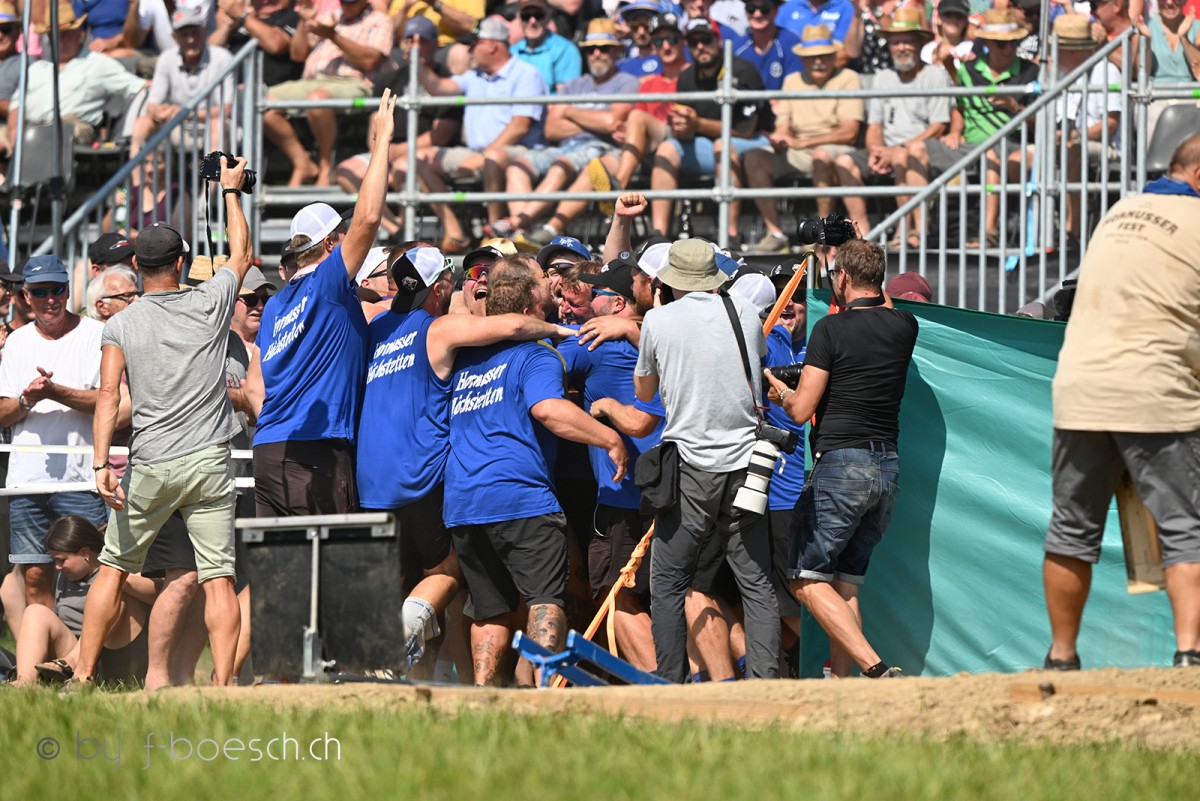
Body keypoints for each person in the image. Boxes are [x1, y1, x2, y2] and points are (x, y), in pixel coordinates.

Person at [76, 154, 254, 689]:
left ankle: (82, 675)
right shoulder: (210, 303)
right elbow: (242, 253)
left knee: (113, 568)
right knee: (219, 579)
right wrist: (230, 190)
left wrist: (100, 463)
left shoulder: (121, 323)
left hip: (151, 463)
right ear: (181, 263)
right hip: (208, 461)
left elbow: (108, 396)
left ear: (136, 265)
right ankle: (222, 686)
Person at [356, 245, 571, 671]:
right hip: (419, 474)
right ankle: (394, 640)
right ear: (440, 286)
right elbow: (512, 324)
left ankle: (408, 672)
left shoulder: (377, 327)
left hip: (370, 481)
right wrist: (557, 330)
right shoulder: (438, 328)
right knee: (449, 575)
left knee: (408, 583)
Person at [1042, 132, 1200, 671]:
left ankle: (1061, 658)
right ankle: (1190, 656)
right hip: (1157, 391)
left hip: (1080, 388)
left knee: (1071, 529)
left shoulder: (1117, 214)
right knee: (1185, 529)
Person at [443, 264, 628, 685]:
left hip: (464, 502)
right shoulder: (537, 354)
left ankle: (485, 696)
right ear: (529, 311)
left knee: (490, 610)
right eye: (544, 308)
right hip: (521, 497)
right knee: (546, 598)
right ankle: (545, 689)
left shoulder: (465, 358)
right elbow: (547, 409)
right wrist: (609, 439)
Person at [764, 238, 916, 679]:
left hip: (841, 465)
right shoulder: (904, 325)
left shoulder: (829, 330)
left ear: (843, 277)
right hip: (886, 467)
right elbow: (882, 304)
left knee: (805, 580)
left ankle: (875, 670)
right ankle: (843, 686)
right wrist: (853, 246)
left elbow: (801, 410)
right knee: (845, 585)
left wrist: (782, 393)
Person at [634, 239, 780, 683]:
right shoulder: (745, 311)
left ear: (667, 281)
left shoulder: (658, 320)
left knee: (668, 582)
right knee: (756, 583)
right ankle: (765, 683)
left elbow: (644, 392)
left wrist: (656, 318)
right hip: (747, 464)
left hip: (690, 466)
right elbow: (754, 364)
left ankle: (671, 683)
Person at [246, 93, 398, 517]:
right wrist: (382, 143)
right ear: (331, 244)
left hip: (269, 448)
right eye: (342, 238)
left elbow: (255, 385)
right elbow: (369, 218)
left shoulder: (275, 305)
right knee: (329, 557)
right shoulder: (329, 281)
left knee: (277, 560)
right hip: (315, 449)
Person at [0, 256, 117, 612]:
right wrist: (28, 399)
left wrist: (54, 392)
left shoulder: (95, 333)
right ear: (25, 296)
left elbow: (105, 400)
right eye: (40, 292)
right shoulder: (17, 342)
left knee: (92, 573)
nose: (50, 299)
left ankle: (87, 645)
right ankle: (44, 644)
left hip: (80, 479)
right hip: (27, 480)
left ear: (68, 290)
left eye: (58, 289)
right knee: (36, 575)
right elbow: (3, 413)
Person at [416, 17, 548, 252]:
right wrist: (418, 63)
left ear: (492, 45)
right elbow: (439, 89)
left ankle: (494, 236)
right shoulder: (474, 75)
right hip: (476, 151)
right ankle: (455, 233)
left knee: (492, 158)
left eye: (474, 44)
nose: (469, 51)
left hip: (519, 151)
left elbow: (520, 126)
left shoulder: (526, 74)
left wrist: (482, 156)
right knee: (420, 159)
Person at [833, 9, 951, 244]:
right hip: (887, 149)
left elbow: (939, 127)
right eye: (895, 42)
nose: (901, 47)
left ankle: (908, 230)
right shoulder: (883, 77)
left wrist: (897, 149)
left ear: (920, 44)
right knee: (844, 162)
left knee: (902, 155)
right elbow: (874, 126)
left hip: (925, 148)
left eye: (908, 41)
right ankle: (862, 234)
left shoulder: (935, 75)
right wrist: (876, 152)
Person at [743, 23, 863, 253]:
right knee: (754, 157)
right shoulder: (792, 80)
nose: (818, 61)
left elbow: (850, 132)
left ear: (834, 56)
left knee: (821, 155)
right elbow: (783, 124)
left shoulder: (848, 78)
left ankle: (825, 237)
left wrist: (802, 142)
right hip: (798, 149)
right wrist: (781, 138)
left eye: (824, 56)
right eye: (812, 57)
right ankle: (776, 233)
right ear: (803, 59)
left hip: (837, 148)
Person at [14, 516, 156, 686]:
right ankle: (25, 683)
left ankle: (77, 660)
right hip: (70, 657)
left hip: (116, 654)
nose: (57, 567)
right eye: (55, 560)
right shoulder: (64, 576)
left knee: (116, 591)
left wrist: (125, 582)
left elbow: (161, 594)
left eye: (62, 560)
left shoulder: (120, 568)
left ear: (84, 553)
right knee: (35, 611)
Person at [264, 0, 394, 186]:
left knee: (317, 99)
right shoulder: (329, 17)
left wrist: (333, 35)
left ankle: (326, 166)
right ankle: (302, 162)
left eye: (351, 1)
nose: (346, 5)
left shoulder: (379, 20)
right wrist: (303, 21)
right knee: (264, 102)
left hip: (354, 83)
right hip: (311, 81)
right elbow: (297, 54)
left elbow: (370, 60)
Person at [10, 4, 148, 145]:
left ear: (79, 34)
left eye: (65, 34)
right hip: (31, 132)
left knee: (66, 131)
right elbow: (16, 104)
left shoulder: (98, 63)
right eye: (53, 35)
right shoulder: (36, 68)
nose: (59, 40)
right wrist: (14, 130)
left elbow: (138, 86)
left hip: (72, 135)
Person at [131, 8, 235, 156]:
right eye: (184, 35)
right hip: (178, 127)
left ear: (204, 32)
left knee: (217, 124)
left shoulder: (222, 57)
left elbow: (226, 110)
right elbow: (152, 105)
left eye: (195, 33)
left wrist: (186, 113)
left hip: (216, 126)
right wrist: (160, 112)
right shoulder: (166, 58)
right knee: (142, 123)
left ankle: (213, 172)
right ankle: (136, 171)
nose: (190, 40)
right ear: (174, 38)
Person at [511, 0, 582, 92]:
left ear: (548, 17)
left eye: (538, 15)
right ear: (519, 19)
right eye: (526, 16)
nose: (532, 21)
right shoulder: (512, 52)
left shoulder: (565, 50)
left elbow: (566, 97)